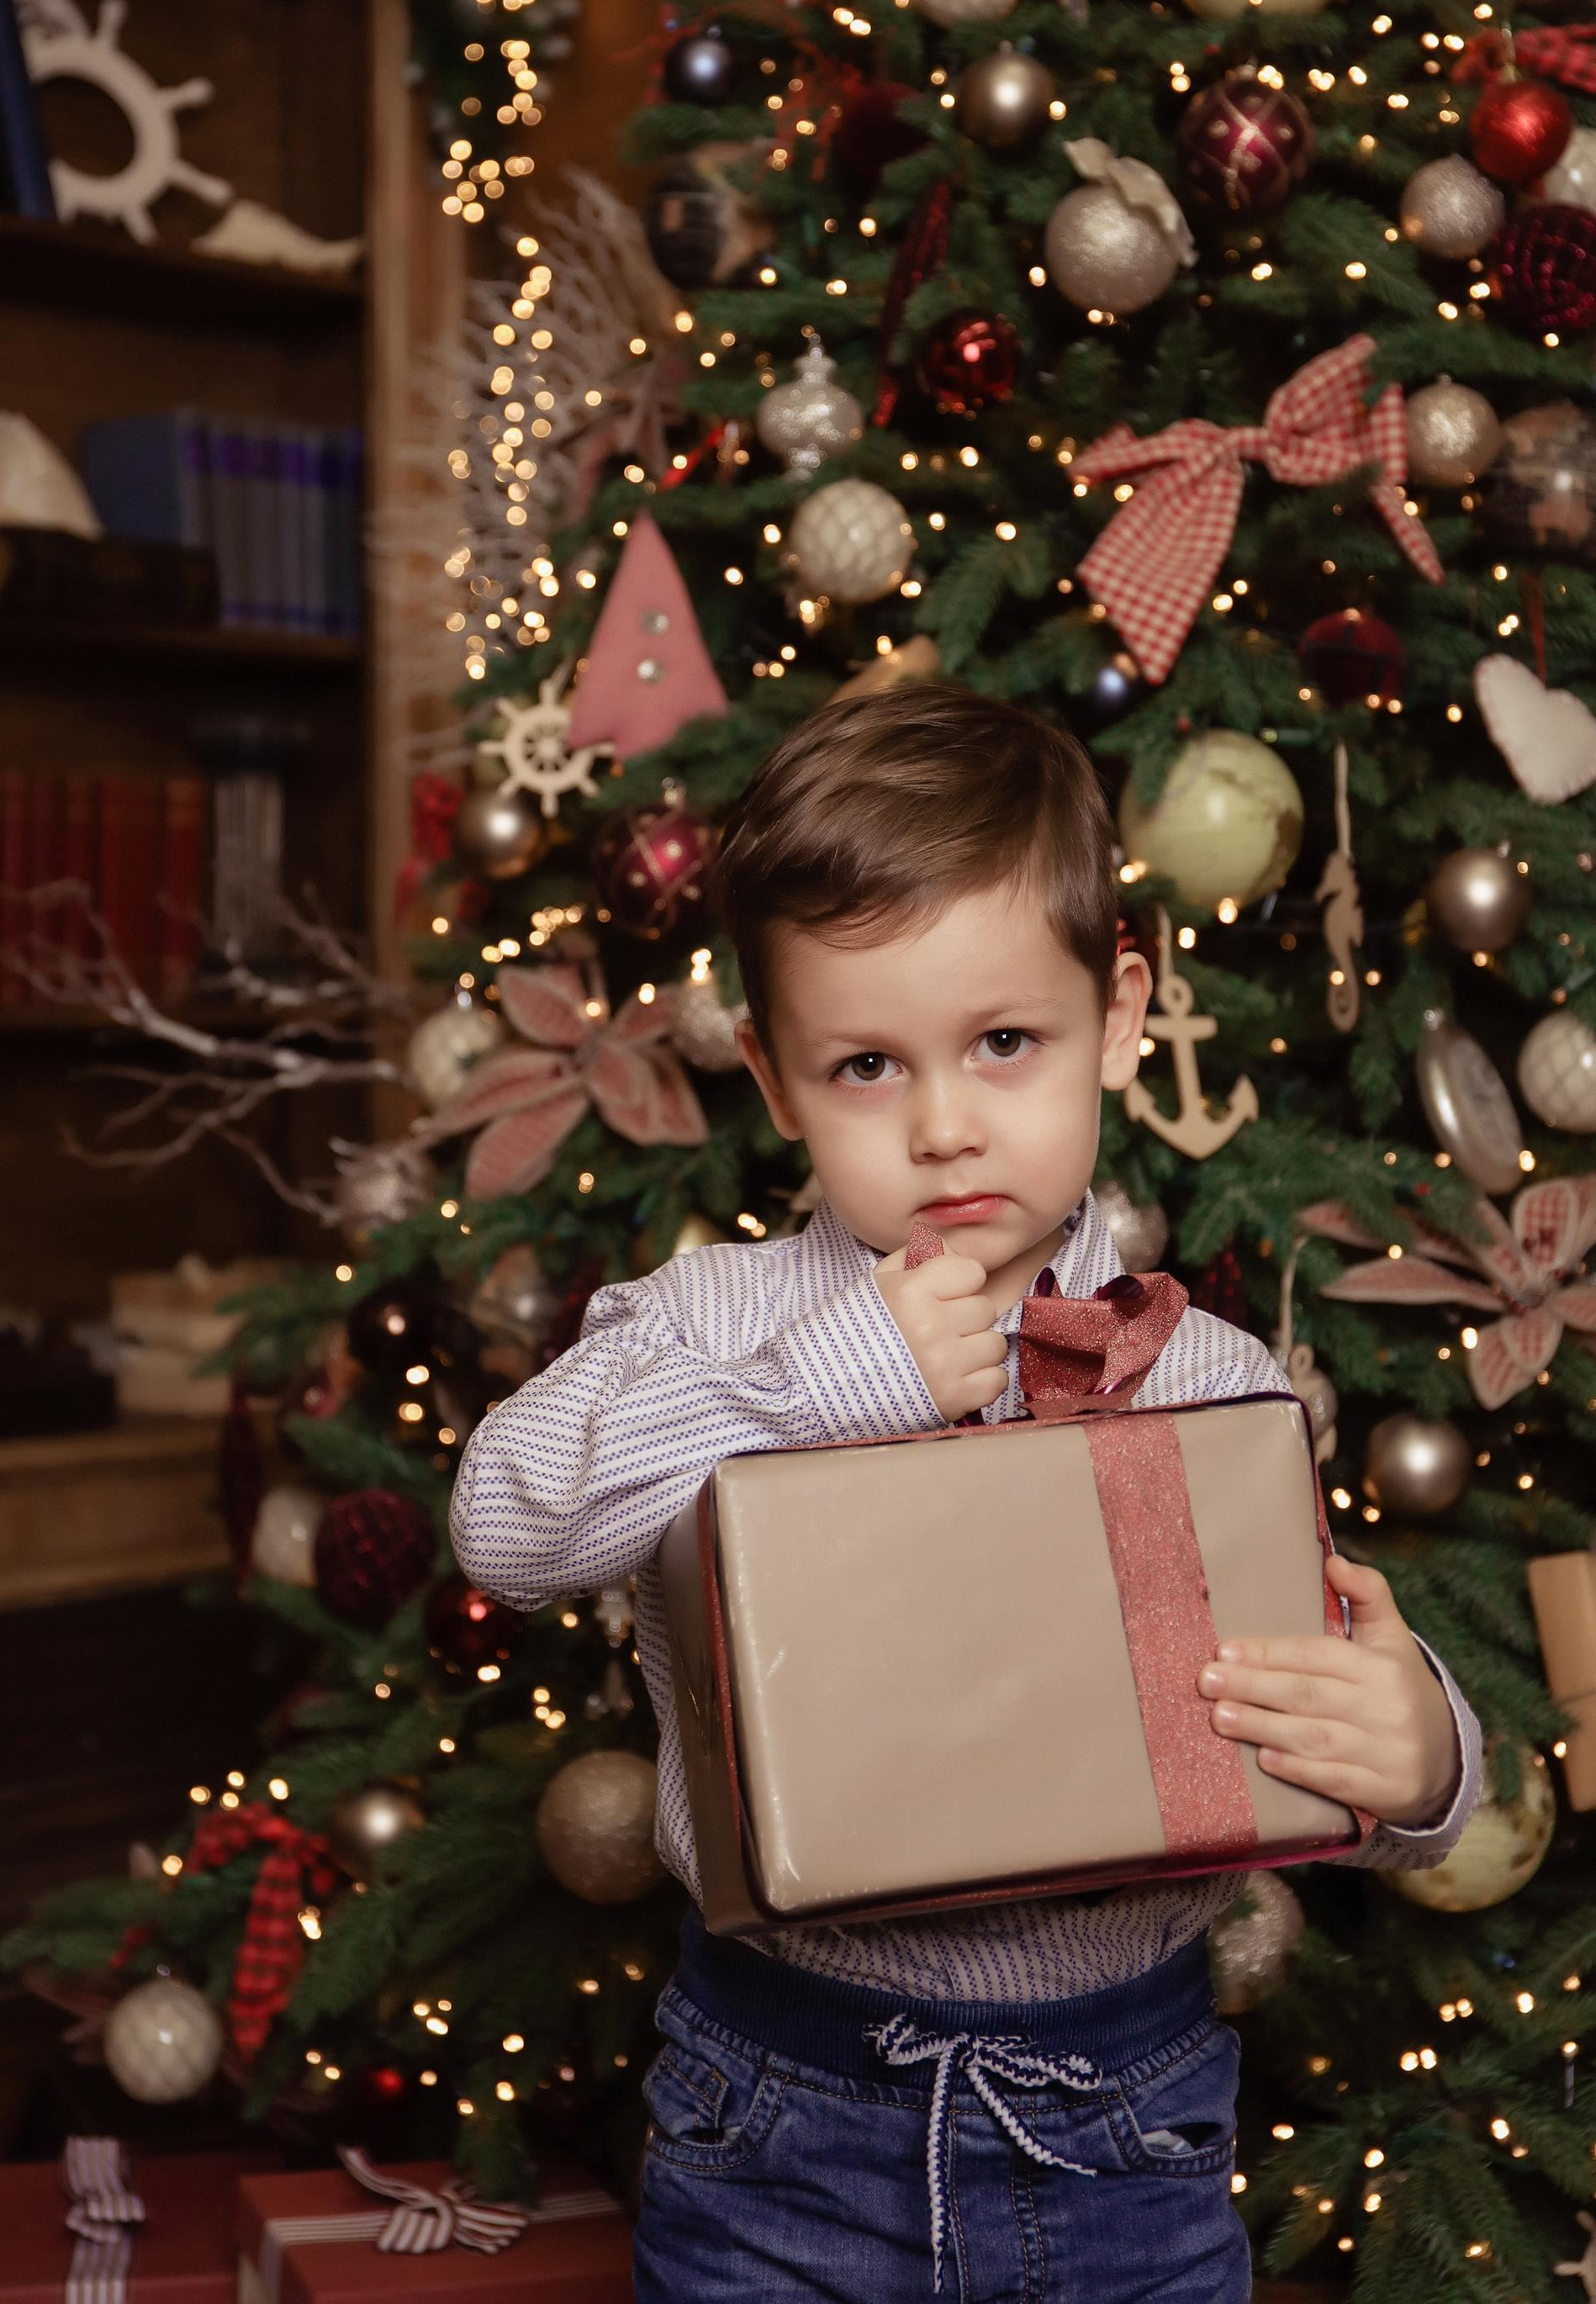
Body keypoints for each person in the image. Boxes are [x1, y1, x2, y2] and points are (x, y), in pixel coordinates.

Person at [452, 683, 1481, 2304]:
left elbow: (1298, 1710)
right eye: (866, 1064)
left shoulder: (1202, 1373)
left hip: (1128, 2129)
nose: (944, 1128)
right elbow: (505, 1529)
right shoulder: (715, 1327)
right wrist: (822, 1383)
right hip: (775, 2116)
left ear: (1118, 1014)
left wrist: (1418, 1758)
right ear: (774, 1080)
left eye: (1005, 1043)